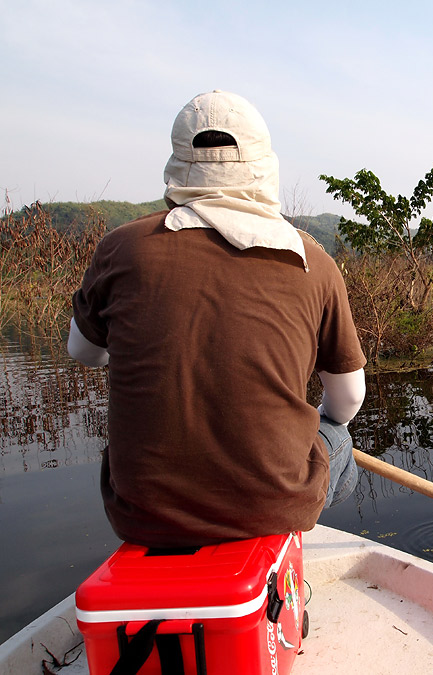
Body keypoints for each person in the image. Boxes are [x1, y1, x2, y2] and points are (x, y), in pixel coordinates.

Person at [67, 90, 366, 548]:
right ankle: (281, 533)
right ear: (264, 165)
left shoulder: (121, 248)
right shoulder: (312, 260)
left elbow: (83, 352)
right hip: (274, 503)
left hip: (138, 512)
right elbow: (347, 400)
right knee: (338, 437)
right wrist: (317, 421)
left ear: (180, 161)